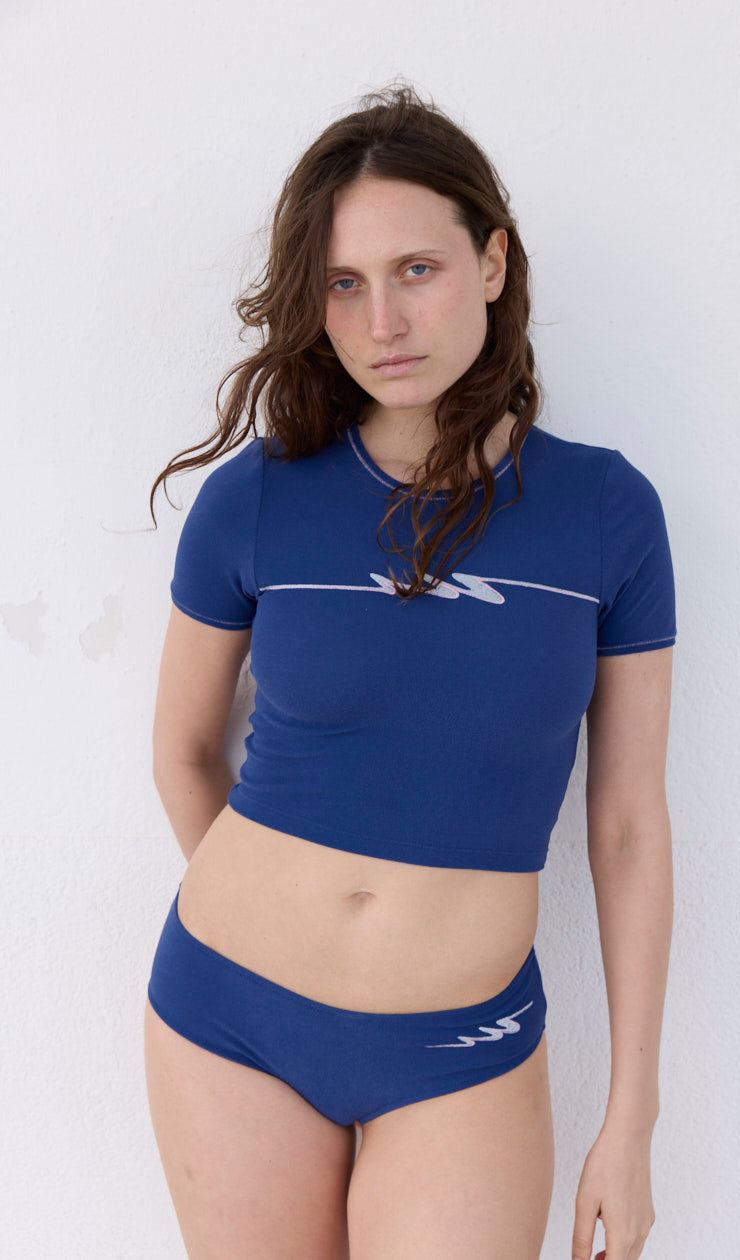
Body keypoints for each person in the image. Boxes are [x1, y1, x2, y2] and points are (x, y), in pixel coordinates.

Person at [143, 82, 676, 1260]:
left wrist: (631, 1116)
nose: (382, 319)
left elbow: (630, 825)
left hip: (460, 1051)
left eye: (416, 270)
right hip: (230, 1018)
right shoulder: (256, 498)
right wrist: (284, 942)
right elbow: (180, 750)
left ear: (492, 262)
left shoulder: (605, 513)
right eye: (344, 283)